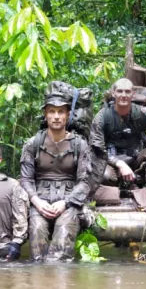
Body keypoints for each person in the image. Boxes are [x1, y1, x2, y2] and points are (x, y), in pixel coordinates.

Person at [20, 94, 93, 261]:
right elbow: (25, 179)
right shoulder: (32, 144)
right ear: (45, 115)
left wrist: (66, 203)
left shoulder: (79, 144)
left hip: (69, 201)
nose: (56, 116)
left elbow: (84, 182)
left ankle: (59, 273)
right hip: (40, 200)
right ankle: (38, 273)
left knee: (64, 231)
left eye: (61, 112)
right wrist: (37, 202)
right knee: (37, 229)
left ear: (68, 115)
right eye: (52, 111)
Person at [89, 78, 146, 203]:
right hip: (112, 161)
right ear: (113, 93)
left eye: (127, 91)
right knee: (105, 177)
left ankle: (138, 179)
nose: (123, 95)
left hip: (138, 159)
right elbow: (97, 149)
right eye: (120, 91)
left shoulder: (142, 113)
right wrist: (119, 164)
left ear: (133, 94)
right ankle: (121, 185)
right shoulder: (102, 117)